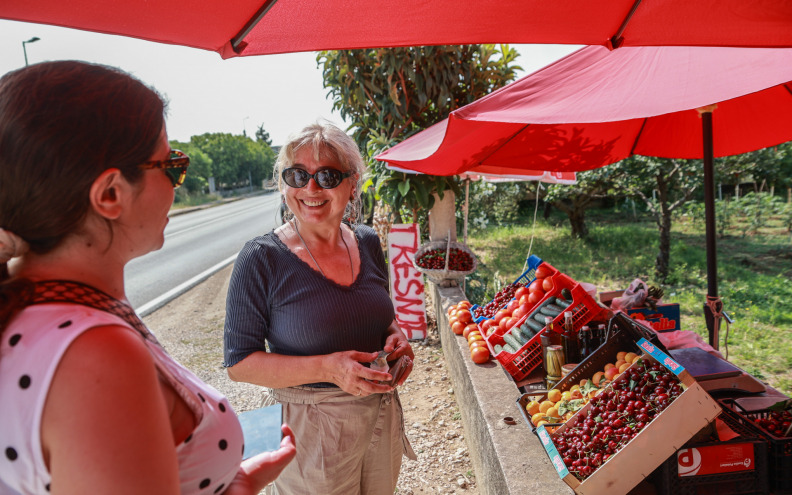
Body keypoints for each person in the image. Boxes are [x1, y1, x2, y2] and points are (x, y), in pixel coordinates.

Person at [0, 60, 296, 495]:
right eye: (172, 165)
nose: (178, 183)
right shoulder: (97, 356)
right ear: (110, 194)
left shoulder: (35, 308)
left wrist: (236, 485)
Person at [223, 122, 417, 495]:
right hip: (305, 431)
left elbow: (380, 314)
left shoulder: (367, 240)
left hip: (379, 416)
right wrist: (328, 368)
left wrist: (396, 336)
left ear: (352, 184)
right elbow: (239, 364)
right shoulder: (261, 257)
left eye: (327, 176)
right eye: (297, 175)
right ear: (283, 184)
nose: (311, 188)